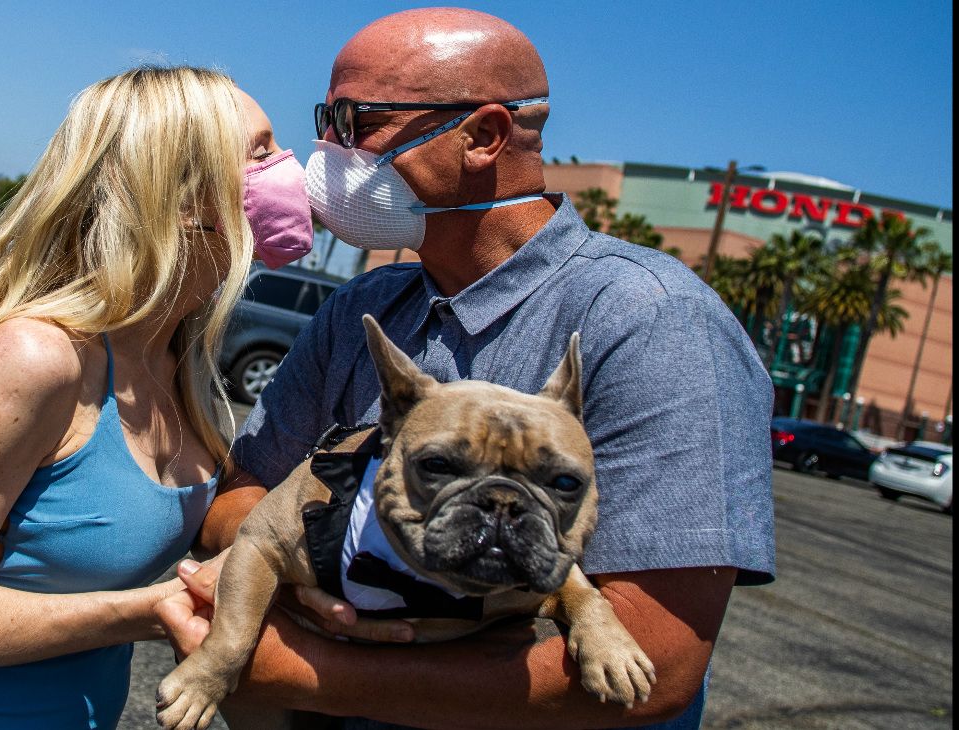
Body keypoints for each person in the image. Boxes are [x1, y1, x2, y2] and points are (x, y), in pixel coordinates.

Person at [157, 8, 775, 730]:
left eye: (356, 121)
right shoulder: (365, 307)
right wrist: (309, 572)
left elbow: (659, 662)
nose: (327, 150)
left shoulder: (653, 320)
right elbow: (241, 497)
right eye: (327, 119)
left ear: (482, 136)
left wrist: (303, 671)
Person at [0, 65, 312, 729]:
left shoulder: (173, 362)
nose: (288, 168)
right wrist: (150, 609)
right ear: (176, 191)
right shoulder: (38, 357)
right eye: (259, 150)